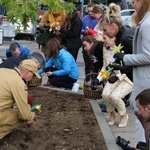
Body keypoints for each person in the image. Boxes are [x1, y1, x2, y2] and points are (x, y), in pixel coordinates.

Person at [113, 0, 150, 144]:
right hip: (144, 79)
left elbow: (148, 56)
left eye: (134, 2)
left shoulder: (147, 24)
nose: (132, 5)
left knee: (143, 117)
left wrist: (125, 58)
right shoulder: (145, 22)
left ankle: (142, 146)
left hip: (146, 80)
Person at [93, 3, 134, 128]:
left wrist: (118, 75)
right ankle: (112, 114)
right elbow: (110, 66)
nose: (104, 36)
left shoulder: (126, 38)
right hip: (121, 75)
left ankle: (123, 115)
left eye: (105, 31)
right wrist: (99, 78)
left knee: (115, 96)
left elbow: (133, 62)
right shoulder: (115, 42)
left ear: (113, 26)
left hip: (129, 77)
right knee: (105, 94)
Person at [0, 59, 41, 139]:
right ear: (27, 72)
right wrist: (31, 116)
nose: (32, 78)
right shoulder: (19, 83)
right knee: (20, 117)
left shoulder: (3, 70)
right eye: (33, 75)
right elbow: (24, 115)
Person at [81, 2, 98, 82]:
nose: (90, 13)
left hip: (94, 43)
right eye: (89, 11)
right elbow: (80, 29)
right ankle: (86, 81)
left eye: (92, 11)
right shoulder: (85, 18)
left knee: (94, 64)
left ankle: (94, 82)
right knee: (87, 63)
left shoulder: (98, 19)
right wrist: (84, 31)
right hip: (86, 41)